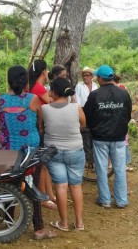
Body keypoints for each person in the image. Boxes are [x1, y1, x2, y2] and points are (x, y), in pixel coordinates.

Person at [0, 65, 56, 240]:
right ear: (25, 81)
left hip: (8, 151)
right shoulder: (34, 99)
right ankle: (38, 229)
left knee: (9, 187)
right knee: (34, 188)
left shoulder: (1, 100)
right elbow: (39, 123)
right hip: (30, 151)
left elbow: (0, 121)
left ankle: (8, 223)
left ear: (9, 80)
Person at [83, 65, 132, 209]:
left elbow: (88, 116)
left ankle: (105, 200)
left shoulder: (95, 95)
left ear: (99, 78)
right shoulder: (124, 94)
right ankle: (122, 200)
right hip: (118, 137)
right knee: (119, 169)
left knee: (101, 169)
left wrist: (94, 128)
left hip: (100, 138)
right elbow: (127, 115)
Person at [42, 77, 86, 232]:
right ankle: (79, 223)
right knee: (76, 186)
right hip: (75, 150)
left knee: (61, 187)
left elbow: (42, 128)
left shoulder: (45, 109)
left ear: (52, 91)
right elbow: (83, 124)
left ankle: (64, 223)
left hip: (54, 152)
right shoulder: (76, 107)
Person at [27, 59, 56, 208]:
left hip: (37, 127)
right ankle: (45, 197)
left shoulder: (33, 86)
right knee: (43, 164)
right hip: (41, 127)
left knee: (44, 164)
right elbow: (52, 103)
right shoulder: (39, 88)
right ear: (43, 71)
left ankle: (49, 194)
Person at [114, 75, 133, 171]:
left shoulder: (109, 90)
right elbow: (128, 105)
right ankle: (124, 163)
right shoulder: (123, 88)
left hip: (113, 120)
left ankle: (110, 163)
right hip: (122, 120)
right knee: (123, 142)